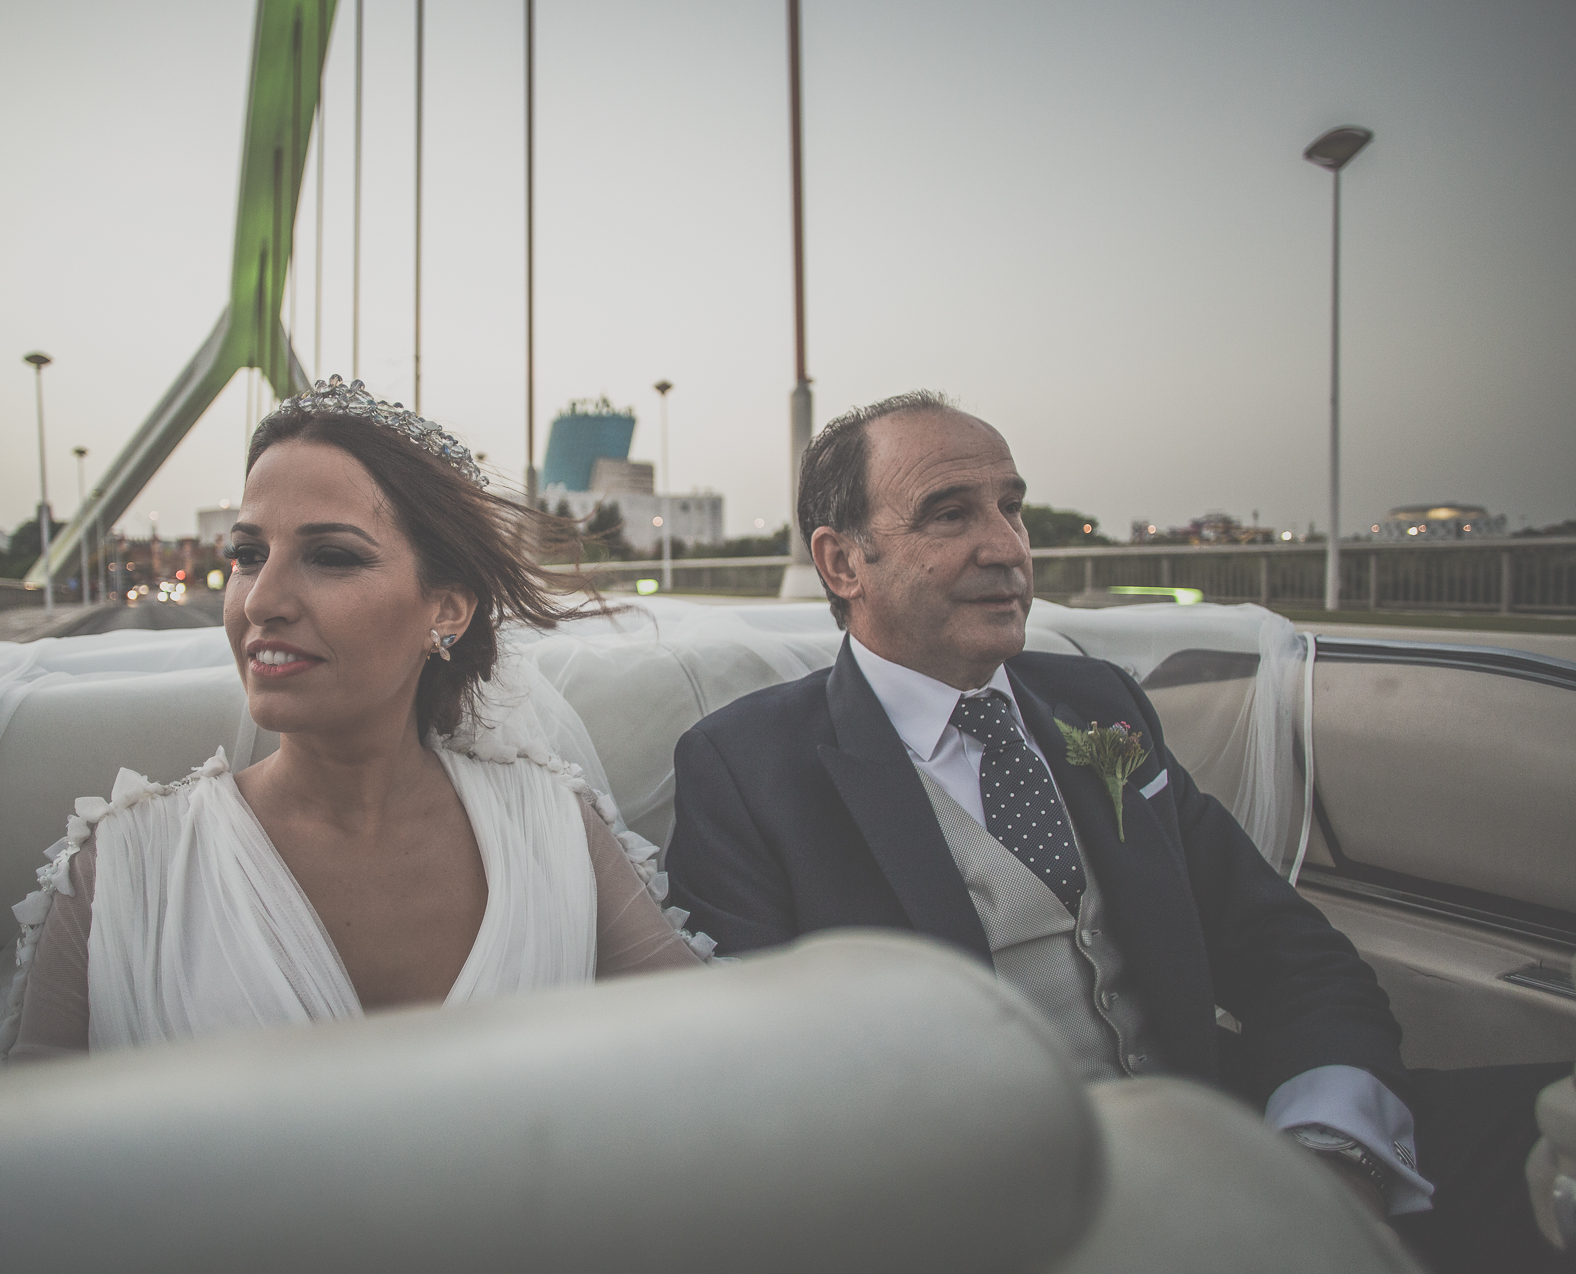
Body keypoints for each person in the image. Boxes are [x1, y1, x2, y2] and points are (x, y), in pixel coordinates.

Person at [664, 390, 1566, 1272]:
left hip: (1234, 1133)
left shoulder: (1100, 705)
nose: (1007, 547)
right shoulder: (746, 769)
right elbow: (777, 1100)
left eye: (1013, 508)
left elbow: (1288, 954)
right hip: (989, 1219)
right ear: (841, 563)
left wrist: (1332, 1160)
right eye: (950, 514)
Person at [0, 377, 706, 1058]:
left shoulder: (554, 831)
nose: (260, 601)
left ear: (446, 610)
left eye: (331, 557)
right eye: (248, 555)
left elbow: (708, 1057)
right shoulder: (122, 872)